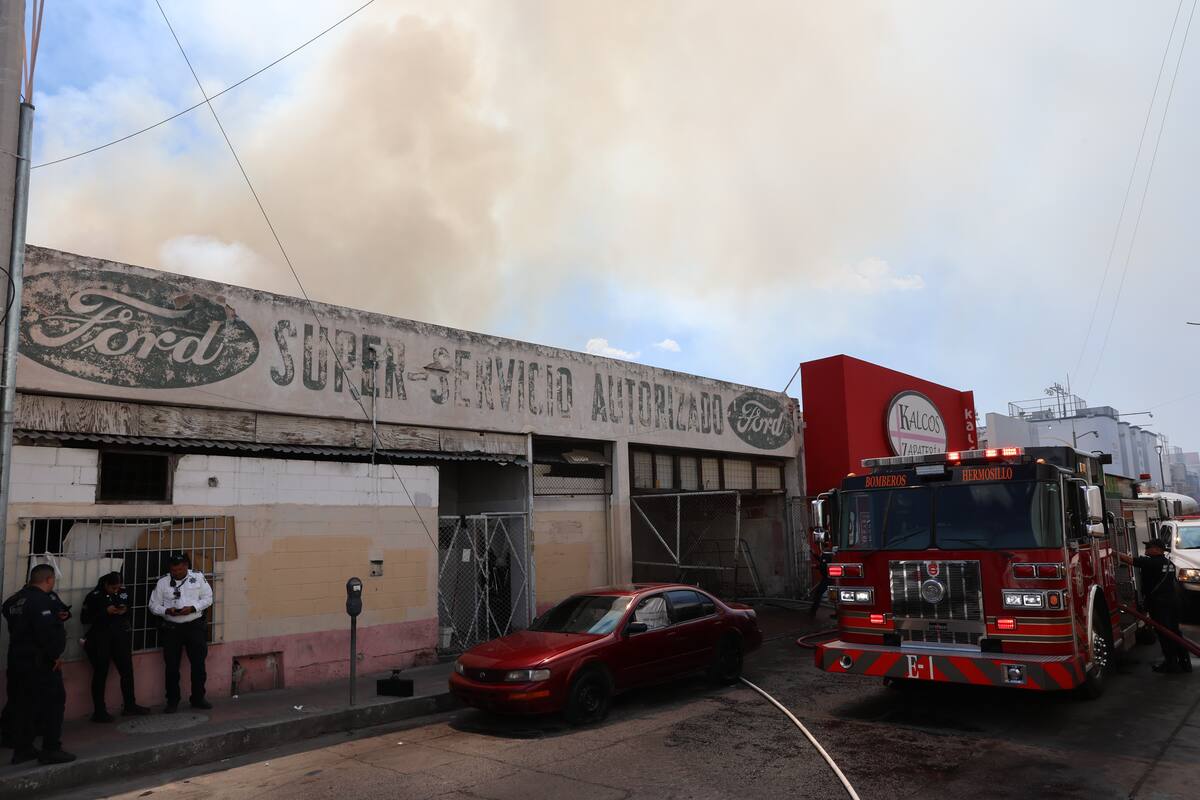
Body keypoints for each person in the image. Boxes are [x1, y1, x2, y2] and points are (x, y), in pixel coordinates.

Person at [3, 564, 75, 764]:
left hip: (17, 660)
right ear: (49, 580)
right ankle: (51, 749)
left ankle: (23, 748)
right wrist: (54, 657)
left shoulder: (15, 599)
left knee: (22, 705)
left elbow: (11, 615)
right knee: (54, 703)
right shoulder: (41, 600)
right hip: (40, 662)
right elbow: (45, 633)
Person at [148, 554, 214, 712]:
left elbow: (208, 598)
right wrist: (166, 610)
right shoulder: (163, 582)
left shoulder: (197, 577)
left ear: (186, 566)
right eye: (173, 570)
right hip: (172, 628)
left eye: (179, 569)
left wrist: (192, 608)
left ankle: (198, 698)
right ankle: (172, 701)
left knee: (198, 665)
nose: (176, 572)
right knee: (171, 667)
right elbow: (153, 605)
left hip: (194, 626)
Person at [81, 572, 150, 722]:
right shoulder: (94, 596)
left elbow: (129, 608)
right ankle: (99, 711)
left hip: (120, 637)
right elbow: (84, 618)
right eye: (113, 588)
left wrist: (124, 610)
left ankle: (130, 706)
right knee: (100, 674)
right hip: (100, 639)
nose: (116, 591)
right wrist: (104, 612)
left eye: (118, 587)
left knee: (127, 671)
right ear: (106, 584)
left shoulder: (123, 592)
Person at [1120, 539, 1192, 673]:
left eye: (1149, 547)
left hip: (1160, 605)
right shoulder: (1168, 563)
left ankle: (1171, 664)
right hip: (1172, 603)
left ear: (1158, 549)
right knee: (1174, 633)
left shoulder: (1153, 562)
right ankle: (1184, 662)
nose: (1146, 548)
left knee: (1165, 634)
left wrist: (1111, 552)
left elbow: (1131, 561)